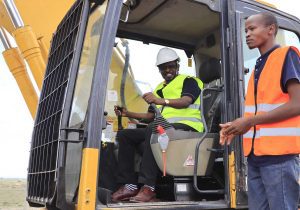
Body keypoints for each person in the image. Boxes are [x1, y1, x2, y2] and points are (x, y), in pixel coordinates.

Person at [219, 13, 300, 210]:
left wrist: (249, 122)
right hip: (256, 159)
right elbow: (259, 113)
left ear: (271, 29)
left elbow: (297, 103)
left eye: (252, 29)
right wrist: (236, 127)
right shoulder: (257, 68)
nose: (247, 34)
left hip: (279, 158)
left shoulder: (286, 56)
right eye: (246, 30)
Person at [111, 47, 204, 202]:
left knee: (153, 128)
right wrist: (128, 114)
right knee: (125, 135)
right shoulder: (159, 88)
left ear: (177, 66)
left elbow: (186, 101)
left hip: (187, 127)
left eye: (171, 66)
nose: (168, 70)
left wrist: (160, 100)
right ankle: (129, 185)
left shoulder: (189, 81)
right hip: (163, 128)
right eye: (163, 67)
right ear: (159, 70)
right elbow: (150, 115)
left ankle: (149, 187)